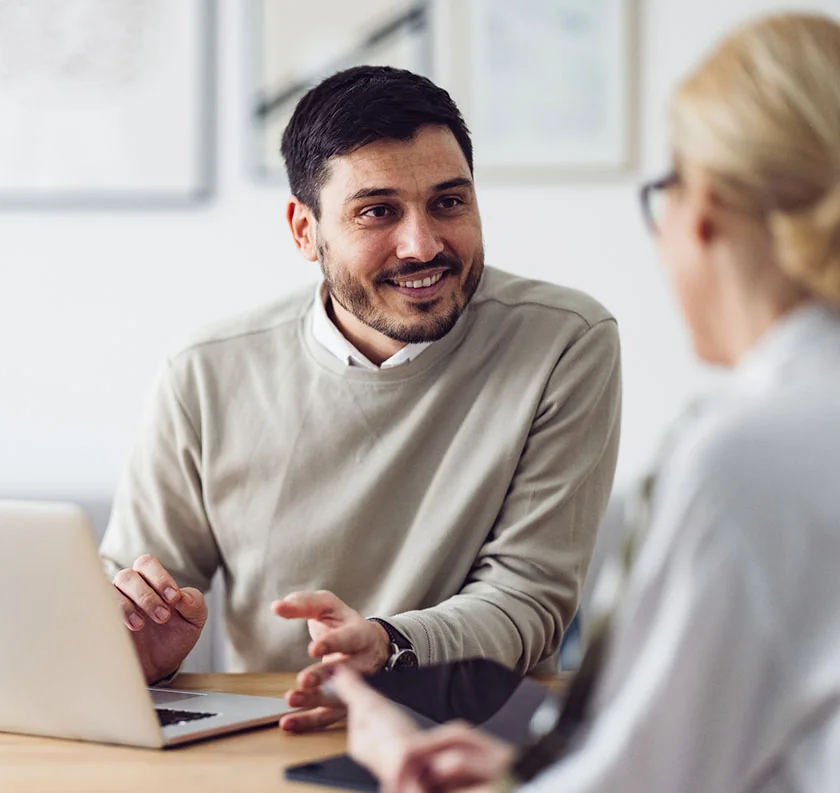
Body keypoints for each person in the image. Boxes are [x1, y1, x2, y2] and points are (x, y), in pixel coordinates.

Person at [329, 12, 840, 792]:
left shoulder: (746, 454)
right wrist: (525, 765)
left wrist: (405, 756)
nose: (422, 246)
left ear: (700, 213)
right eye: (377, 210)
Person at [99, 65, 622, 731]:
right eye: (378, 211)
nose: (423, 244)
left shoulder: (565, 342)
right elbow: (137, 593)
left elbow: (529, 596)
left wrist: (390, 645)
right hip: (272, 731)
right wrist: (141, 645)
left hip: (475, 734)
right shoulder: (206, 370)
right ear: (303, 230)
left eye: (448, 202)